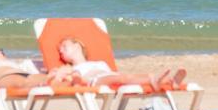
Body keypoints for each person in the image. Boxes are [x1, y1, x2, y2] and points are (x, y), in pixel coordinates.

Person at [55, 37, 186, 91]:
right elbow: (76, 79)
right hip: (95, 81)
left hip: (109, 76)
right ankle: (156, 80)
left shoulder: (99, 62)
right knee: (122, 78)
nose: (61, 50)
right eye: (60, 51)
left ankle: (170, 82)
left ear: (77, 45)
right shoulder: (73, 68)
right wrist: (76, 82)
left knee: (127, 76)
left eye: (64, 46)